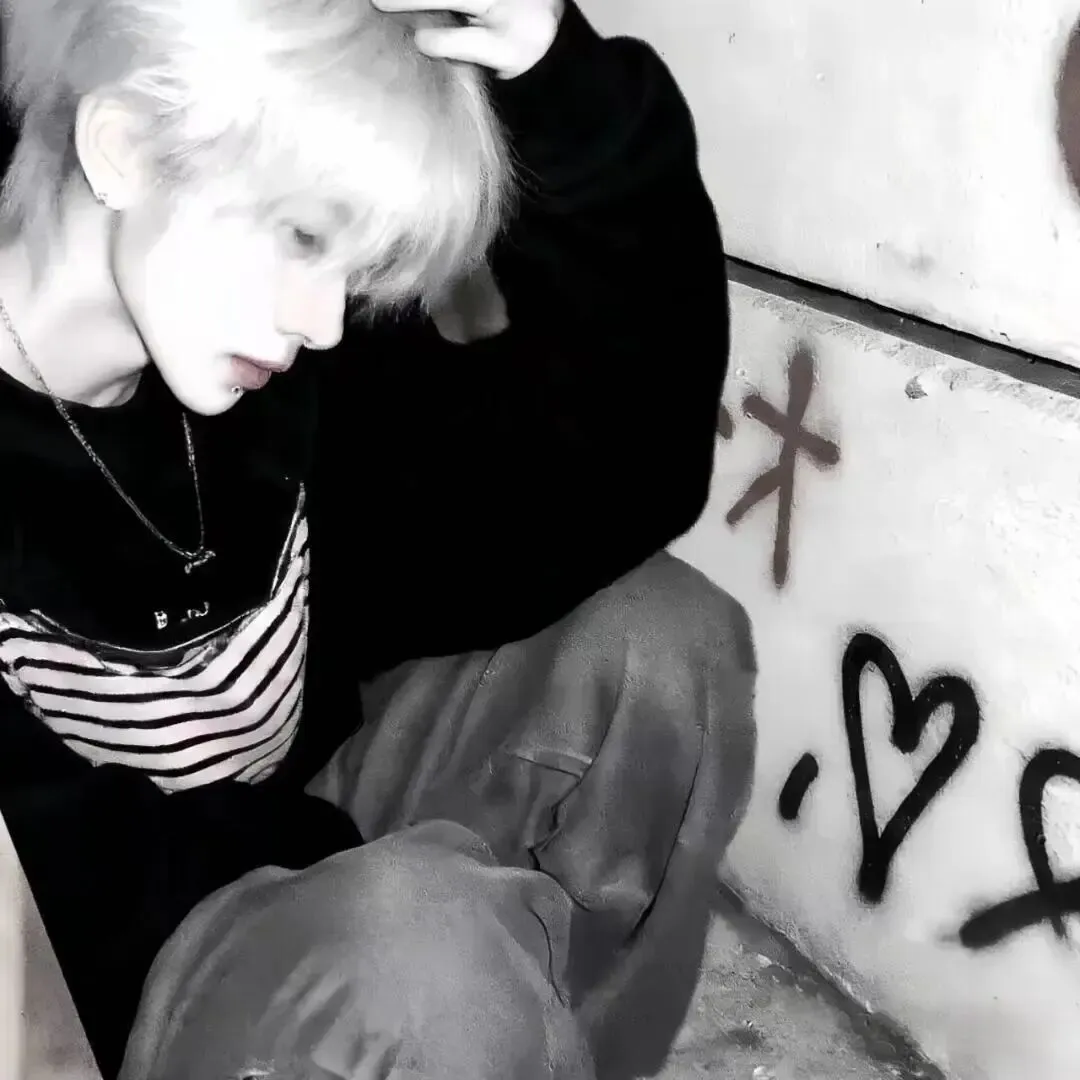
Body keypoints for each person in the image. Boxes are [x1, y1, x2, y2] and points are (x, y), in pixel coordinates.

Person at [0, 0, 756, 1077]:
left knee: (660, 639)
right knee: (424, 956)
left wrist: (560, 84)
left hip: (294, 841)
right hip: (71, 982)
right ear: (122, 147)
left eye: (351, 269)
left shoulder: (277, 376)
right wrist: (375, 891)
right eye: (304, 236)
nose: (321, 319)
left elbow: (618, 466)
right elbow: (67, 876)